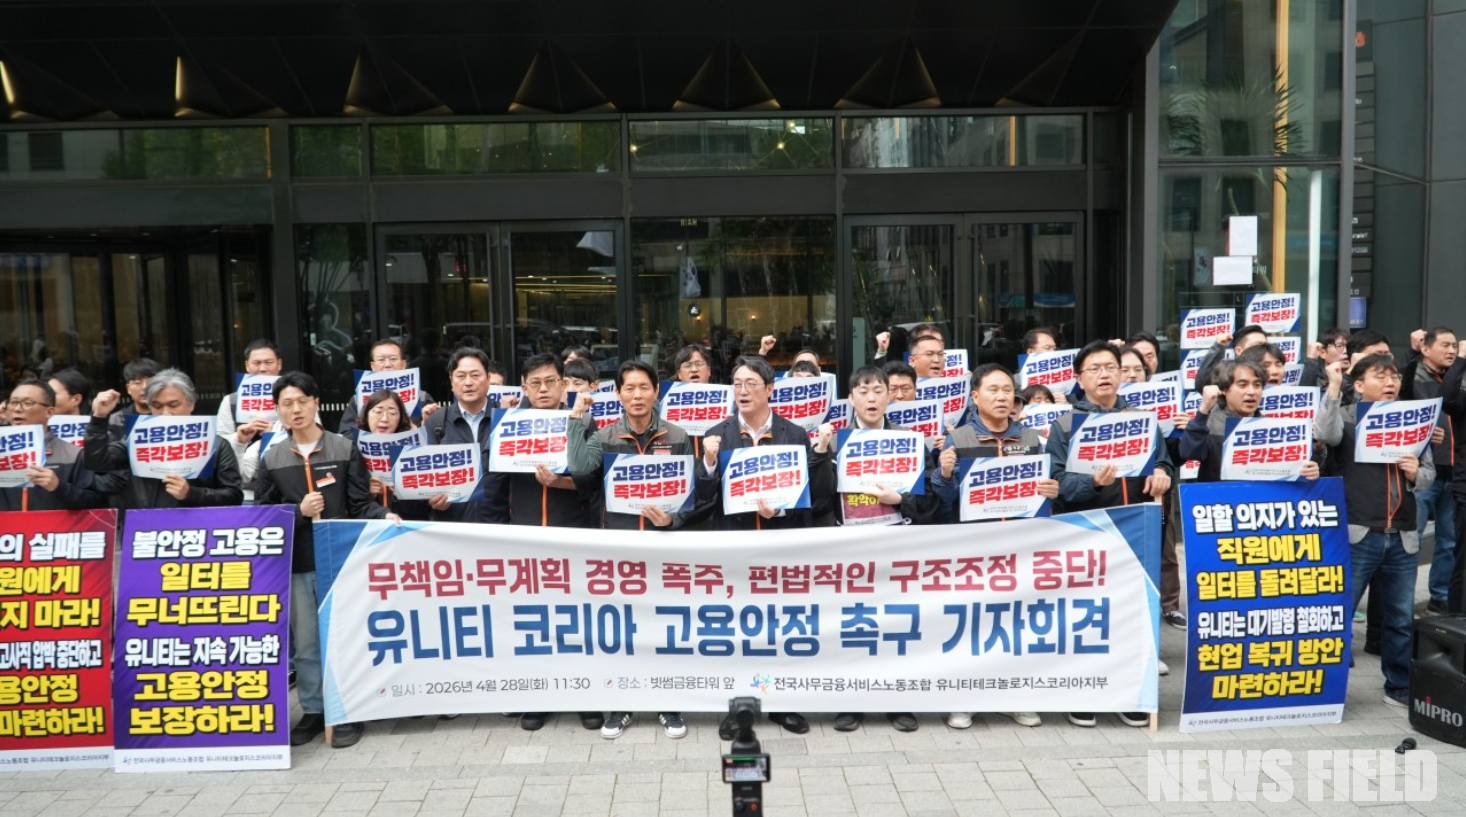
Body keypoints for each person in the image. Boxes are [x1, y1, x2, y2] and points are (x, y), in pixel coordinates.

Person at [253, 371, 400, 749]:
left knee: (347, 637)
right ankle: (315, 710)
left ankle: (348, 710)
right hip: (298, 565)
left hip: (342, 562)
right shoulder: (272, 458)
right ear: (277, 410)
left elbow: (360, 503)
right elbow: (262, 517)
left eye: (302, 401)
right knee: (306, 645)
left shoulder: (343, 448)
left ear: (316, 402)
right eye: (287, 403)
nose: (296, 409)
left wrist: (384, 514)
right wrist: (298, 512)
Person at [697, 355, 835, 738]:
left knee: (778, 629)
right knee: (738, 630)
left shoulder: (795, 434)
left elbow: (816, 495)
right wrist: (708, 462)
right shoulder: (717, 434)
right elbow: (703, 499)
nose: (742, 391)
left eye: (751, 384)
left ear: (770, 389)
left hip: (779, 549)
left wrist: (783, 507)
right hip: (735, 549)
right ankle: (739, 706)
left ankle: (780, 703)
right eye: (737, 384)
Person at [1046, 341, 1174, 728]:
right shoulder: (1064, 425)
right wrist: (1092, 482)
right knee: (1087, 615)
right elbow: (1057, 482)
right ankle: (1083, 692)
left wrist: (1163, 473)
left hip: (1137, 529)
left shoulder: (1142, 420)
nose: (1104, 375)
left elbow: (1164, 462)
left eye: (1111, 367)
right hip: (1087, 531)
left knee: (1131, 613)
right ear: (1079, 378)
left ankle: (1131, 693)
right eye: (1095, 369)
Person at [567, 359, 695, 740]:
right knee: (623, 630)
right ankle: (622, 705)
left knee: (662, 627)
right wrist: (576, 419)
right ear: (619, 394)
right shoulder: (606, 435)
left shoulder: (677, 435)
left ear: (656, 392)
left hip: (662, 550)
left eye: (644, 387)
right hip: (619, 549)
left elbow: (690, 497)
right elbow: (579, 467)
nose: (637, 395)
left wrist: (672, 521)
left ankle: (668, 704)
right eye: (629, 388)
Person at [928, 364, 1056, 730]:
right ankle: (964, 699)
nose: (1001, 397)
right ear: (975, 396)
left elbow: (1045, 490)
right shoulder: (959, 438)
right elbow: (945, 500)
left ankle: (1014, 696)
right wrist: (945, 474)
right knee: (972, 624)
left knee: (1014, 624)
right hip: (974, 548)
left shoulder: (1030, 439)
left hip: (1020, 547)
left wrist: (1052, 489)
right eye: (993, 390)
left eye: (1007, 391)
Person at [482, 353, 603, 733]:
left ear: (564, 384)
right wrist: (501, 535)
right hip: (526, 539)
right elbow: (493, 489)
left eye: (551, 381)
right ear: (524, 388)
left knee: (577, 621)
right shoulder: (509, 426)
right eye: (535, 383)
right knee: (534, 623)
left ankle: (584, 696)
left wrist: (561, 483)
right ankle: (538, 696)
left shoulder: (583, 422)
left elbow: (596, 482)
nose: (544, 389)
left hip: (574, 538)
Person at [827, 365, 941, 733]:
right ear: (850, 399)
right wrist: (818, 454)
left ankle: (897, 701)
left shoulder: (910, 442)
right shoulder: (835, 443)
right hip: (850, 548)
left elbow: (930, 503)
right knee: (853, 625)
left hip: (897, 547)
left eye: (878, 390)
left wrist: (900, 500)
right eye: (863, 391)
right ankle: (851, 702)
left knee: (896, 624)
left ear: (889, 396)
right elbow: (821, 500)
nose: (871, 398)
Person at [1328, 354, 1435, 708]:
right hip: (1359, 532)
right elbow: (1324, 433)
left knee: (1401, 618)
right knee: (1340, 614)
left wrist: (1415, 473)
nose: (1390, 382)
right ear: (1359, 385)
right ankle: (1329, 688)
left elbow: (1429, 474)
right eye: (1380, 376)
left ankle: (1399, 686)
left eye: (1394, 377)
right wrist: (1333, 388)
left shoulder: (1413, 419)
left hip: (1403, 535)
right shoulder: (1347, 417)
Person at [85, 369, 244, 510]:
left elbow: (234, 495)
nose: (165, 413)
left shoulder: (217, 445)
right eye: (157, 406)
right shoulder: (136, 440)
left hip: (195, 528)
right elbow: (97, 462)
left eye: (173, 405)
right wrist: (99, 418)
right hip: (144, 527)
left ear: (191, 404)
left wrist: (191, 493)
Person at [1179, 360, 1332, 483]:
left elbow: (1293, 473)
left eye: (1257, 385)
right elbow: (1188, 452)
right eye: (1242, 385)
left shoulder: (1275, 428)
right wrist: (1203, 410)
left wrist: (1314, 462)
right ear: (1224, 389)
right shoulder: (1208, 425)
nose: (1252, 392)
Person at [1407, 327, 1458, 614]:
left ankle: (1440, 597)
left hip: (1454, 471)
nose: (1451, 351)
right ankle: (1401, 599)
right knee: (1410, 540)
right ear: (1425, 349)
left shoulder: (1457, 378)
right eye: (1445, 345)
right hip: (1423, 472)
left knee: (1448, 541)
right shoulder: (1413, 377)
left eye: (1454, 346)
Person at [0, 379, 105, 512]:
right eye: (13, 402)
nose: (17, 409)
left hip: (53, 525)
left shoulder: (74, 455)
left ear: (49, 412)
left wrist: (58, 487)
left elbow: (94, 503)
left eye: (27, 403)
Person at [419, 348, 497, 524]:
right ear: (451, 382)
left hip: (498, 526)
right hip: (451, 527)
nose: (468, 382)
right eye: (461, 376)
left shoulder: (504, 419)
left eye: (475, 375)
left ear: (488, 378)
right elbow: (425, 477)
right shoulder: (436, 421)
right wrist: (431, 499)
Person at [337, 338, 438, 441]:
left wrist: (422, 427)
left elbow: (438, 436)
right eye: (381, 360)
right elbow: (346, 435)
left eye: (393, 359)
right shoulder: (358, 400)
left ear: (403, 364)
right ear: (373, 366)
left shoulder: (422, 398)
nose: (387, 365)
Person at [356, 389, 429, 519]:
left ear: (400, 418)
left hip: (405, 524)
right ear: (366, 415)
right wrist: (367, 493)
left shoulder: (413, 450)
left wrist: (403, 495)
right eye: (378, 412)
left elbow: (425, 508)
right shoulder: (353, 448)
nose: (385, 419)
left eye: (392, 413)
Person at [220, 339, 285, 467]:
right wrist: (239, 438)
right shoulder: (231, 401)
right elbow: (221, 442)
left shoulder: (297, 398)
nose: (262, 368)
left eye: (268, 362)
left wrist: (274, 433)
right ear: (247, 366)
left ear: (279, 364)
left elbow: (311, 434)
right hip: (244, 470)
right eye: (256, 363)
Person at [1194, 324, 1268, 392]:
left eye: (1266, 346)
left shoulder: (1271, 369)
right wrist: (1218, 347)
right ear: (1239, 351)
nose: (1263, 349)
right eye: (1258, 345)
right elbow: (1204, 384)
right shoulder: (1229, 373)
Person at [107, 357, 161, 440]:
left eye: (151, 382)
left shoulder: (168, 415)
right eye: (137, 382)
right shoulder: (116, 419)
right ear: (128, 389)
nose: (145, 387)